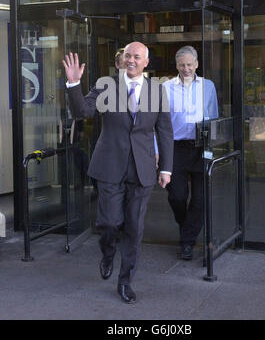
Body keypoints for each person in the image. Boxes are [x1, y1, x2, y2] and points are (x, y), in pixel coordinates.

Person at [62, 42, 173, 304]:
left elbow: (165, 131)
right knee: (110, 223)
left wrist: (166, 167)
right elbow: (83, 111)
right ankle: (108, 251)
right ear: (121, 59)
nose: (131, 60)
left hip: (143, 169)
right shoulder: (106, 85)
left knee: (134, 228)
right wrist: (73, 85)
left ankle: (125, 281)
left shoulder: (157, 91)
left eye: (136, 56)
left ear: (146, 62)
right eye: (127, 56)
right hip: (110, 165)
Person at [163, 45, 218, 261]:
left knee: (199, 199)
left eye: (189, 64)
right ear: (176, 65)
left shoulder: (208, 86)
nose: (186, 68)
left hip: (200, 148)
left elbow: (213, 116)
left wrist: (211, 147)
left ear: (196, 64)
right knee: (176, 196)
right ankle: (187, 227)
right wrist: (159, 151)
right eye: (182, 64)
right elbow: (161, 123)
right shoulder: (166, 87)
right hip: (175, 148)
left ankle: (186, 241)